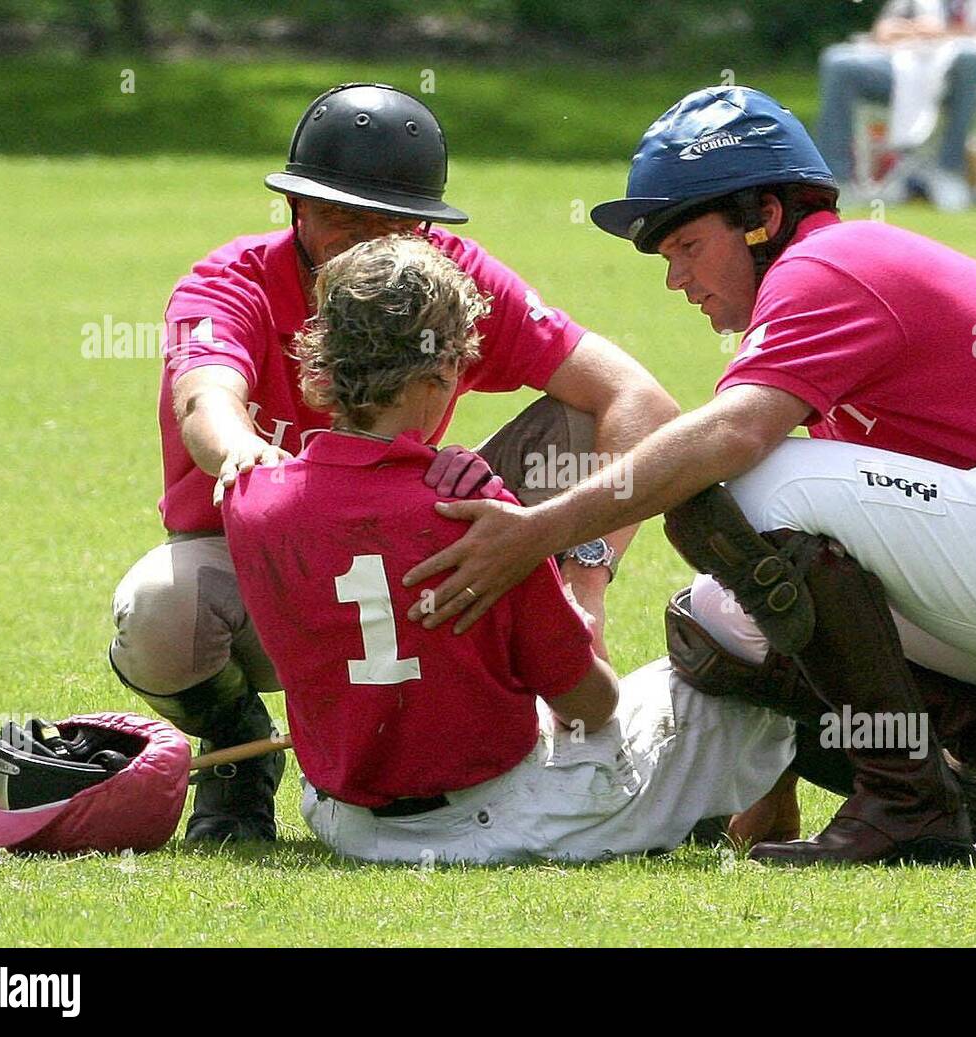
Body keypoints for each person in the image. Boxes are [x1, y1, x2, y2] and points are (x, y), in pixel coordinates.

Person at [401, 85, 976, 867]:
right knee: (718, 624)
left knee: (738, 490)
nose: (676, 279)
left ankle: (910, 802)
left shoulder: (829, 262)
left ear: (762, 220)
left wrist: (540, 529)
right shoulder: (823, 266)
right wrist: (771, 782)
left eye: (686, 246)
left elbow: (732, 437)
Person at [107, 82, 679, 843]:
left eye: (395, 226)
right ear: (296, 210)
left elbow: (638, 401)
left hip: (413, 538)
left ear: (426, 228)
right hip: (270, 563)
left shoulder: (447, 279)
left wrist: (582, 567)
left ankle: (479, 726)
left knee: (581, 416)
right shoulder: (230, 281)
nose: (372, 247)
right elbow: (204, 401)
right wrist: (253, 462)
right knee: (159, 612)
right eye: (347, 221)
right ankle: (237, 751)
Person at [221, 235, 802, 863]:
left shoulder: (251, 500)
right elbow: (591, 704)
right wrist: (573, 613)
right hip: (502, 814)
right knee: (729, 678)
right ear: (444, 371)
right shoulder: (478, 514)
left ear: (320, 373)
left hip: (345, 824)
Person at [818, 0, 976, 211]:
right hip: (908, 67)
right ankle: (837, 181)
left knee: (970, 58)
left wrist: (943, 33)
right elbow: (884, 29)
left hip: (966, 76)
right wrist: (908, 30)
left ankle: (948, 170)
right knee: (838, 61)